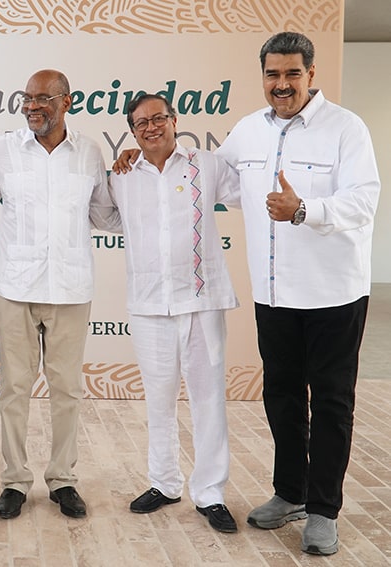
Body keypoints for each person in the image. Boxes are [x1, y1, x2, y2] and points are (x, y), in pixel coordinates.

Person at [217, 32, 381, 555]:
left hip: (334, 296)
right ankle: (289, 492)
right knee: (282, 397)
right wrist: (148, 155)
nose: (281, 84)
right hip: (274, 294)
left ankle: (324, 509)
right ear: (262, 76)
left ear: (311, 74)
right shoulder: (246, 131)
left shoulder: (345, 129)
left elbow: (363, 202)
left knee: (332, 403)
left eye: (292, 74)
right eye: (272, 74)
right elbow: (210, 179)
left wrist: (305, 210)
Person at [99, 93, 241, 533]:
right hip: (148, 304)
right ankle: (164, 483)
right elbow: (102, 217)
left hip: (202, 301)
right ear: (132, 130)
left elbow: (247, 193)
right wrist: (119, 162)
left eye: (159, 118)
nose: (151, 127)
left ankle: (210, 492)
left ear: (175, 120)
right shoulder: (121, 176)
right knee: (159, 400)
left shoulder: (208, 163)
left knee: (207, 400)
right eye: (140, 123)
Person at [0, 69, 111, 520]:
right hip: (15, 286)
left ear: (66, 102)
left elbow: (106, 216)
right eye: (26, 98)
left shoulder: (90, 153)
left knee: (67, 389)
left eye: (42, 99)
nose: (32, 106)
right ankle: (15, 480)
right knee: (14, 388)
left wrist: (140, 172)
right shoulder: (5, 151)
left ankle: (63, 479)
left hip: (71, 288)